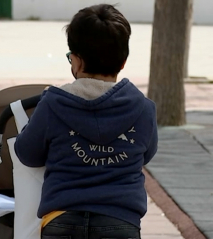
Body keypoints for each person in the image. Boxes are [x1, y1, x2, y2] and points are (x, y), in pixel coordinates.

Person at [14, 4, 158, 239]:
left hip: (62, 220)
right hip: (120, 221)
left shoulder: (52, 104)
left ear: (77, 62)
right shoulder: (143, 108)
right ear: (123, 62)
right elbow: (146, 154)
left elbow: (26, 154)